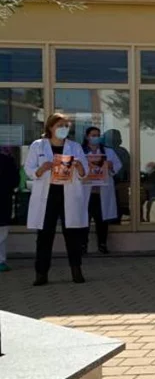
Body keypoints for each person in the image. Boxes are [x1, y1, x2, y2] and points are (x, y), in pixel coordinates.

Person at [24, 113, 89, 286]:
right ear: (50, 127)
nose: (63, 129)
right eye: (60, 125)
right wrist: (42, 168)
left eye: (66, 126)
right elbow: (28, 169)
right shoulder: (38, 146)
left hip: (68, 195)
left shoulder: (74, 147)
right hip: (47, 196)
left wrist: (79, 166)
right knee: (45, 236)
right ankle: (41, 273)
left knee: (73, 235)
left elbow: (85, 174)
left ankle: (76, 270)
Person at [81, 126, 122, 255]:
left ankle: (102, 244)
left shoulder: (108, 152)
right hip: (86, 192)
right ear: (87, 137)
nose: (96, 137)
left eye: (98, 135)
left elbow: (118, 166)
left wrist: (110, 166)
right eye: (93, 135)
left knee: (102, 221)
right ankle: (83, 245)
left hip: (101, 191)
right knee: (84, 221)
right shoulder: (80, 151)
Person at [0, 147, 18, 272]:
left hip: (3, 200)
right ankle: (0, 261)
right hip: (3, 200)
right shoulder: (7, 159)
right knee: (2, 232)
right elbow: (15, 180)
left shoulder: (7, 159)